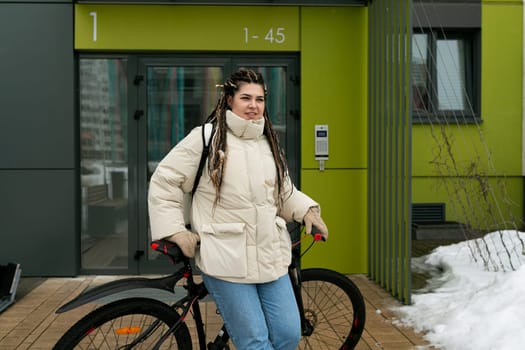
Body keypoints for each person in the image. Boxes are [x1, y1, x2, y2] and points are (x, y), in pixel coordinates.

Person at [148, 69, 328, 350]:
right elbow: (165, 180)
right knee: (254, 342)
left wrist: (306, 210)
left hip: (270, 257)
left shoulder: (269, 141)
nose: (253, 105)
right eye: (246, 97)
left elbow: (282, 191)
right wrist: (174, 231)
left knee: (288, 335)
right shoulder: (207, 138)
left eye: (259, 99)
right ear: (229, 99)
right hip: (225, 260)